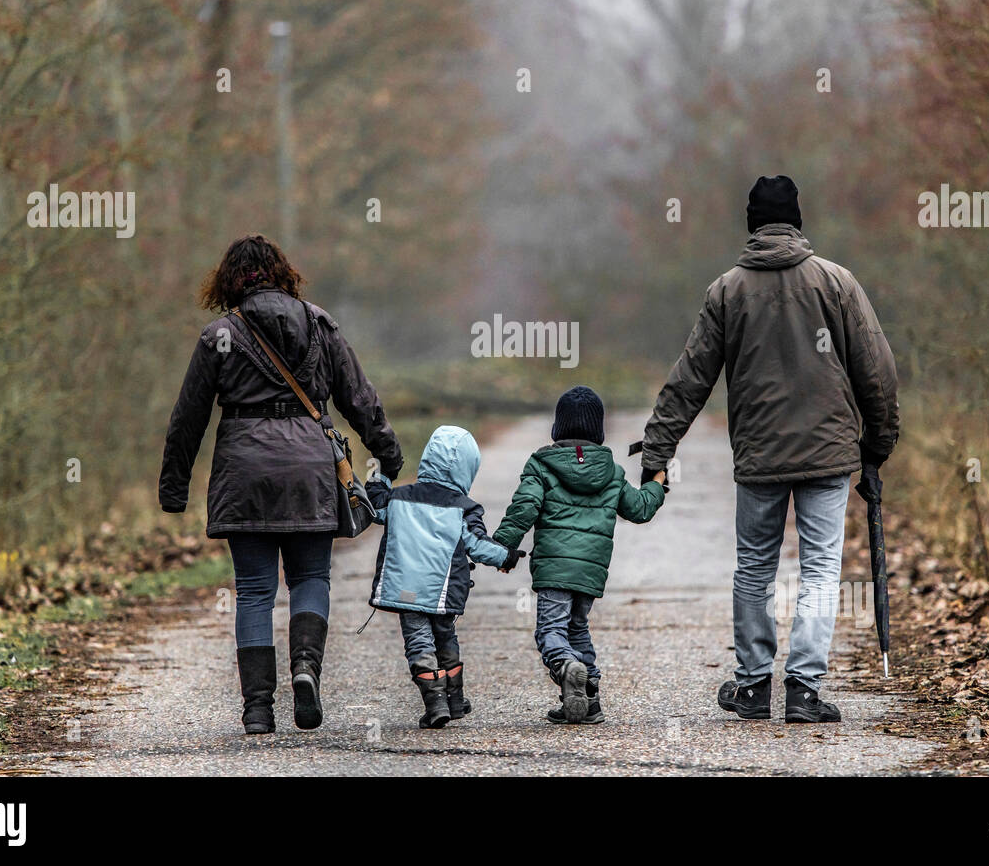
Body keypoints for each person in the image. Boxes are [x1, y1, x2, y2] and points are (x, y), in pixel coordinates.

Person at [639, 175, 899, 723]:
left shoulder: (728, 291)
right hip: (827, 454)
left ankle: (754, 686)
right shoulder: (837, 284)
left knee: (754, 567)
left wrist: (658, 449)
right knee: (822, 566)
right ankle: (804, 689)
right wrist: (877, 444)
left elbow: (691, 379)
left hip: (759, 458)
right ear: (798, 222)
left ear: (752, 224)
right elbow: (876, 371)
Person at [159, 235, 403, 735]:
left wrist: (174, 486)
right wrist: (388, 453)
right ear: (283, 273)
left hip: (244, 471)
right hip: (310, 469)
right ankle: (305, 669)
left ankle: (257, 709)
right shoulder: (318, 322)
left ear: (228, 280)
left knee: (253, 591)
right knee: (311, 578)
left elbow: (189, 418)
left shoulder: (219, 335)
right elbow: (359, 396)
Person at [493, 386, 666, 724]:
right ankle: (590, 699)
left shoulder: (541, 465)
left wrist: (503, 547)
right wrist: (658, 483)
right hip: (590, 573)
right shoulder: (612, 471)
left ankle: (566, 666)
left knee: (551, 631)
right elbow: (641, 509)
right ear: (598, 431)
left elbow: (523, 508)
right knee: (577, 628)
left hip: (554, 570)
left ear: (557, 428)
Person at [364, 425, 518, 729]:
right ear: (467, 470)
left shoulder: (399, 498)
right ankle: (455, 698)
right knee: (446, 635)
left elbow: (374, 506)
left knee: (419, 640)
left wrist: (379, 475)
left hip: (407, 591)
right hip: (444, 593)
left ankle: (435, 702)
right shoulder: (464, 507)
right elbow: (476, 545)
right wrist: (506, 556)